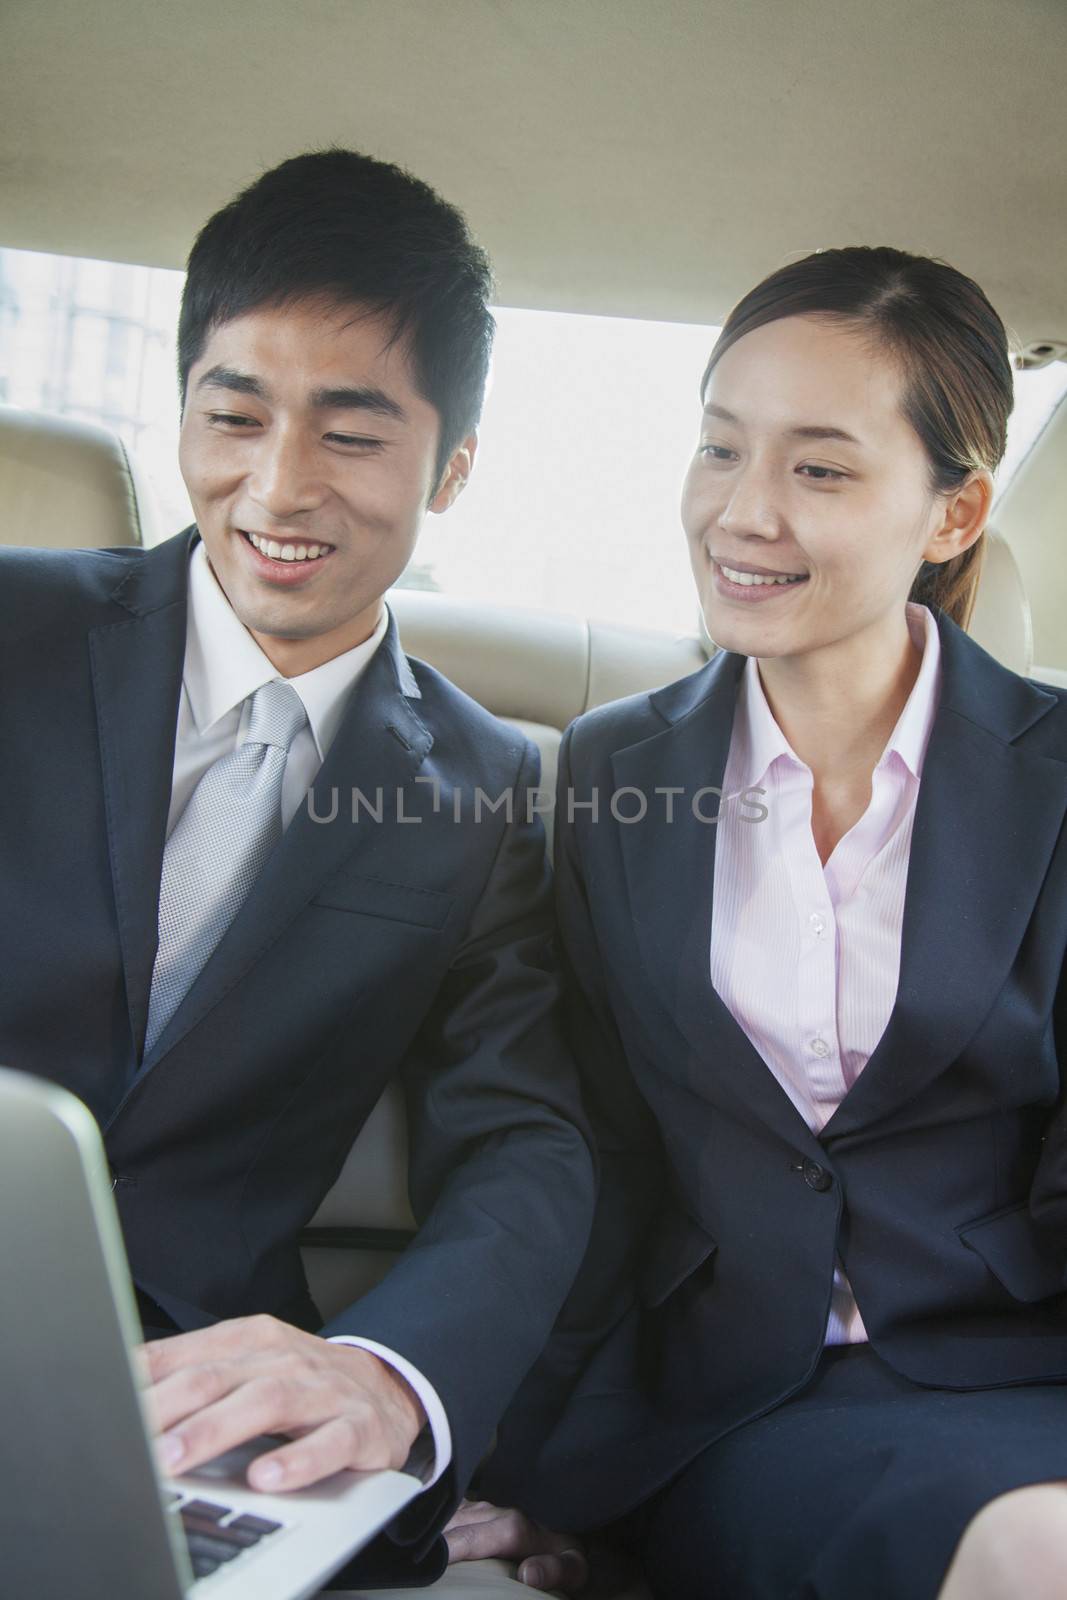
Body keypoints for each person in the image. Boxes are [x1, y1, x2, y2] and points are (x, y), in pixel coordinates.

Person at [0, 148, 593, 1587]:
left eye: (351, 431)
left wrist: (391, 1376)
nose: (277, 486)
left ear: (451, 467)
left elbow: (526, 1138)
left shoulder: (490, 788)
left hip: (204, 1406)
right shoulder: (13, 637)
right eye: (236, 413)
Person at [455, 247, 1067, 1599]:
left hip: (1025, 1372)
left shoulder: (1058, 783)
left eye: (821, 469)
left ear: (955, 514)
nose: (743, 513)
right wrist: (530, 1460)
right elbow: (595, 1144)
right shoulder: (614, 774)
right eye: (721, 449)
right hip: (736, 1404)